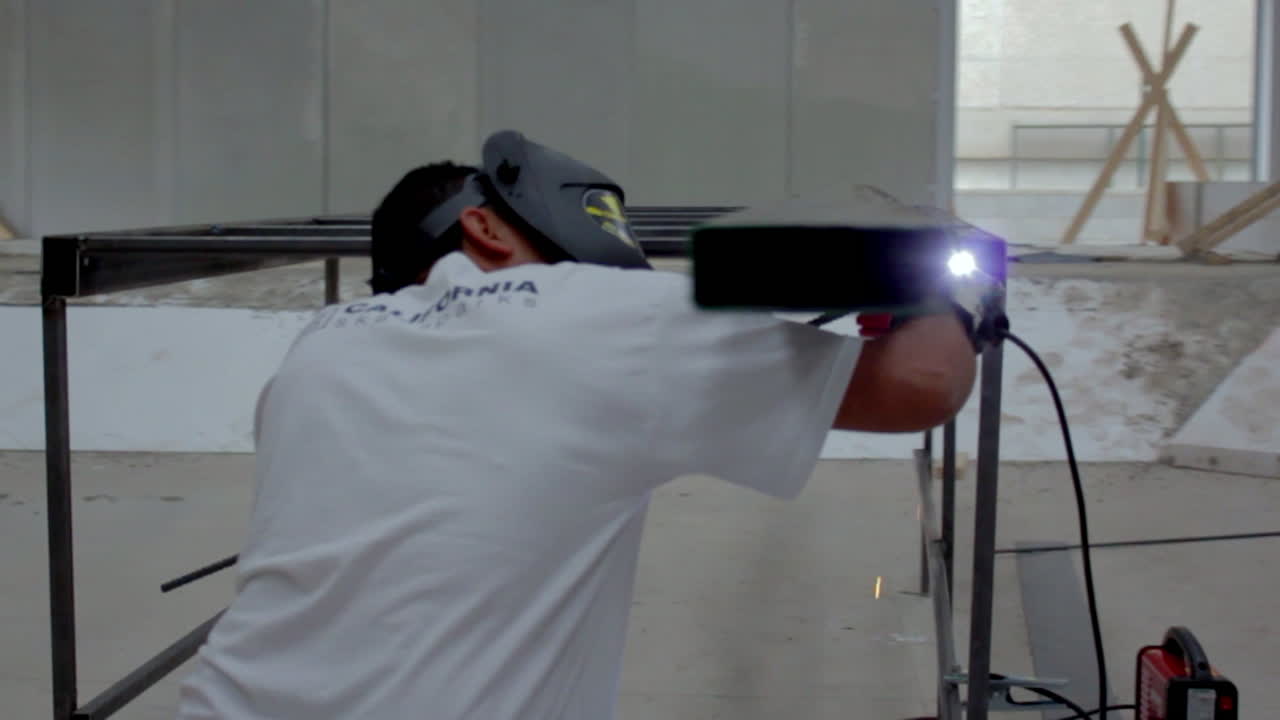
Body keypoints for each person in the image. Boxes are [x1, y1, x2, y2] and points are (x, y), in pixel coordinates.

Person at [176, 131, 977, 719]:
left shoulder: (320, 345)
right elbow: (923, 385)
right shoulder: (603, 313)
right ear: (485, 227)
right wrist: (944, 286)